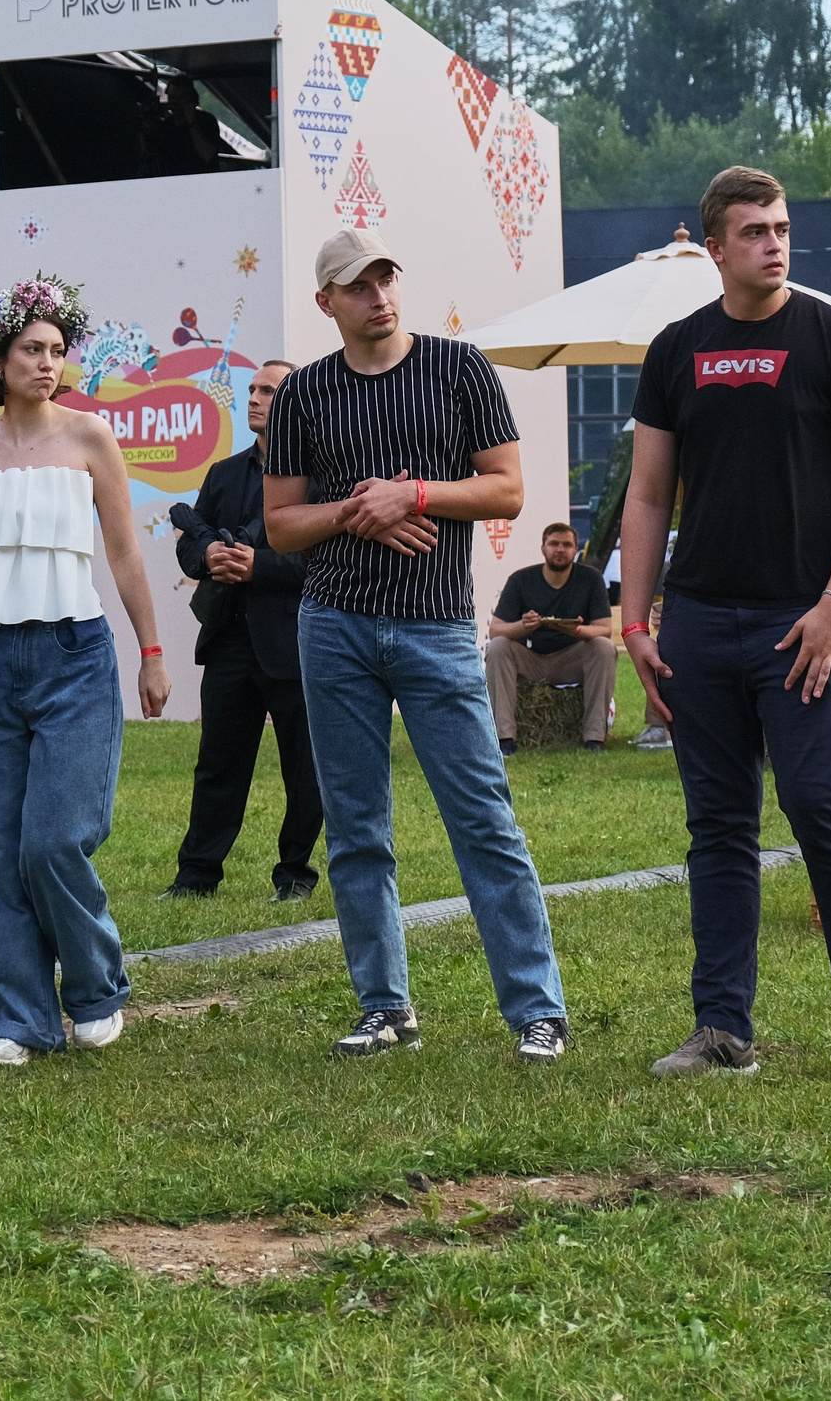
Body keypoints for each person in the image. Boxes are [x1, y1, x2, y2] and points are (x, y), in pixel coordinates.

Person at [620, 166, 831, 1082]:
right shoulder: (676, 349)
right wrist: (634, 623)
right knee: (718, 824)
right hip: (700, 621)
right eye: (752, 230)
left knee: (825, 809)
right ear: (715, 247)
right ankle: (722, 1031)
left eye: (781, 226)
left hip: (806, 618)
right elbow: (649, 493)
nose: (774, 243)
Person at [262, 227, 570, 1064]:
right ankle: (384, 1006)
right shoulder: (304, 396)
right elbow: (282, 525)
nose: (379, 294)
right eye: (358, 285)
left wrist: (416, 493)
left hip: (434, 627)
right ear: (327, 301)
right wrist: (358, 512)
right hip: (334, 627)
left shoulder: (458, 368)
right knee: (356, 827)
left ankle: (538, 1008)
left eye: (387, 277)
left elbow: (508, 488)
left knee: (483, 818)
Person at [0, 275, 171, 1068]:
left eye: (57, 350)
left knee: (52, 840)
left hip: (74, 655)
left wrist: (151, 653)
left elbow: (123, 552)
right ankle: (18, 1020)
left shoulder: (91, 439)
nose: (47, 363)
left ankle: (95, 987)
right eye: (31, 350)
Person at [162, 359, 323, 902]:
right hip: (230, 638)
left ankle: (296, 875)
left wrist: (261, 567)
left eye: (269, 390)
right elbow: (186, 546)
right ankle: (196, 877)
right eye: (251, 389)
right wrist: (207, 554)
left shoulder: (323, 476)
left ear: (296, 402)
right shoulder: (224, 474)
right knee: (218, 765)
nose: (253, 398)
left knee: (305, 770)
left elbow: (330, 561)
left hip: (298, 644)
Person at [486, 522, 616, 754]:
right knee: (497, 647)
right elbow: (495, 630)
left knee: (604, 647)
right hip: (532, 658)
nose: (560, 549)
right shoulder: (521, 579)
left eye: (567, 545)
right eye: (554, 543)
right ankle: (504, 738)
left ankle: (595, 738)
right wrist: (523, 626)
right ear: (543, 548)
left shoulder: (591, 578)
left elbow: (605, 629)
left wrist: (577, 631)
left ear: (576, 549)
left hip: (572, 658)